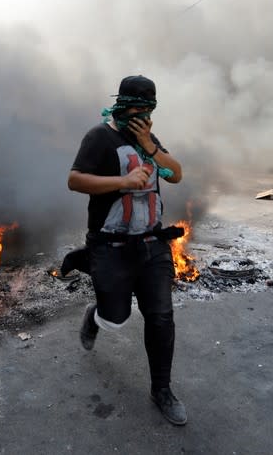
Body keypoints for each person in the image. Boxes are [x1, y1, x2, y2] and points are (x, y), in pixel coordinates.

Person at [66, 75, 187, 426]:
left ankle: (161, 390)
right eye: (135, 108)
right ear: (120, 104)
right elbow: (74, 180)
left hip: (152, 243)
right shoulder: (99, 137)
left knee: (161, 317)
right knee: (115, 316)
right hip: (111, 247)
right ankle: (97, 314)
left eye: (147, 110)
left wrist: (149, 143)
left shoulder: (148, 140)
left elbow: (176, 174)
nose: (140, 115)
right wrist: (121, 182)